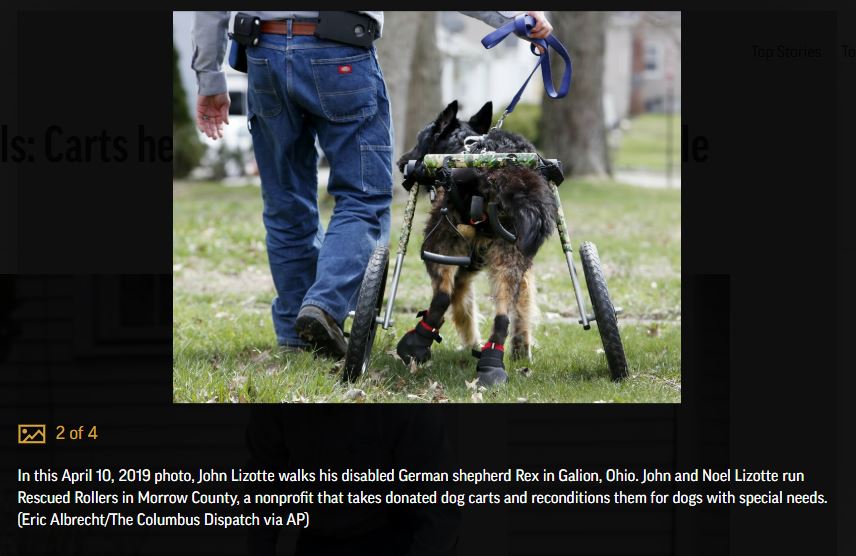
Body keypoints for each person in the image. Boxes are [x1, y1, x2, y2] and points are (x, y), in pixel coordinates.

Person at [192, 11, 552, 358]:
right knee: (363, 197)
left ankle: (295, 333)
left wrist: (209, 75)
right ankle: (324, 307)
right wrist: (513, 18)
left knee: (285, 201)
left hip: (264, 50)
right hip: (341, 49)